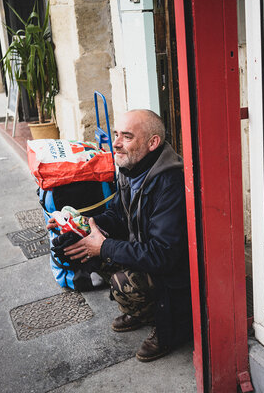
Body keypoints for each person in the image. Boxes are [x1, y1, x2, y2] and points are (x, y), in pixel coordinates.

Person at [49, 109, 192, 362]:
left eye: (126, 136)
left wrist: (104, 246)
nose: (115, 143)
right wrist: (81, 226)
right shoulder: (131, 168)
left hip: (177, 277)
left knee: (122, 280)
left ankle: (173, 326)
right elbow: (117, 215)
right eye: (116, 134)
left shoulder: (170, 184)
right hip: (147, 254)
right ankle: (141, 310)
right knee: (82, 250)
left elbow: (164, 255)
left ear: (152, 143)